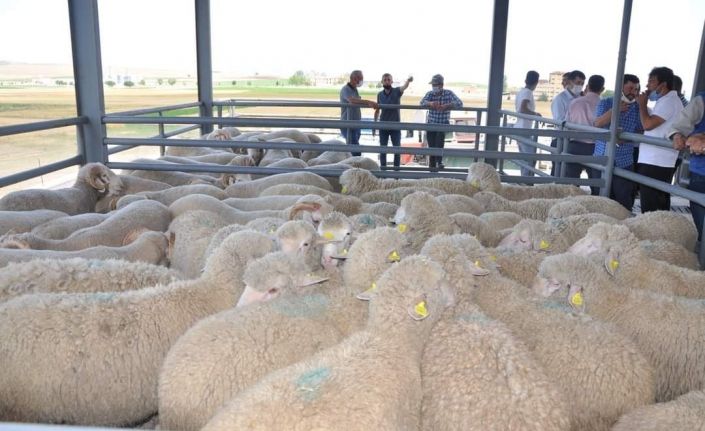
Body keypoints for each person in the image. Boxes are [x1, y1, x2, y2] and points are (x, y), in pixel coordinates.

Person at [635, 67, 684, 212]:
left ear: (663, 84)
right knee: (657, 201)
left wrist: (642, 105)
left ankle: (654, 233)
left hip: (657, 161)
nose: (647, 85)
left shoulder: (669, 101)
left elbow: (648, 125)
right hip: (656, 159)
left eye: (651, 81)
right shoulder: (666, 100)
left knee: (651, 204)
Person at [593, 74, 642, 211]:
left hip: (624, 160)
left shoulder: (638, 108)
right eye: (630, 88)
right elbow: (597, 123)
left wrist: (626, 138)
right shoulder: (606, 102)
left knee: (623, 200)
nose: (633, 93)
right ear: (620, 87)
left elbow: (641, 130)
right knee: (599, 198)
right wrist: (615, 111)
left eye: (636, 89)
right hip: (602, 159)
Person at [669, 90, 705, 246]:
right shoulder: (701, 100)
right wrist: (677, 135)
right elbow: (679, 125)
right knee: (702, 227)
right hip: (701, 174)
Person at [563, 74, 605, 195]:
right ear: (602, 89)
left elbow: (567, 124)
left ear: (587, 86)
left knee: (570, 184)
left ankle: (569, 207)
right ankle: (595, 210)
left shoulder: (574, 103)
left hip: (575, 146)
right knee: (597, 184)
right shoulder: (604, 104)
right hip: (596, 149)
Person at [419, 74, 463, 171]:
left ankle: (438, 162)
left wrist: (447, 106)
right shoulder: (430, 94)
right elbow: (421, 102)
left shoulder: (449, 93)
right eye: (433, 85)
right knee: (431, 146)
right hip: (431, 124)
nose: (433, 87)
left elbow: (460, 103)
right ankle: (433, 166)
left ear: (441, 85)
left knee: (439, 141)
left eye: (435, 85)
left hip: (442, 124)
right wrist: (430, 103)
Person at [374, 73, 412, 168]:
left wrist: (408, 81)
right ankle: (383, 171)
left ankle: (396, 174)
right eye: (385, 80)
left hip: (395, 126)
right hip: (383, 126)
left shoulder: (397, 91)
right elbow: (377, 110)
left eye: (388, 79)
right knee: (383, 150)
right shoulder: (379, 95)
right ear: (382, 82)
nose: (387, 81)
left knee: (397, 150)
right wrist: (375, 125)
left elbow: (404, 87)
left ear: (392, 81)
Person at [339, 70, 378, 156]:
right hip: (347, 123)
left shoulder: (355, 89)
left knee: (354, 146)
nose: (361, 81)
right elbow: (352, 100)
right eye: (361, 79)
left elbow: (357, 100)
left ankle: (354, 166)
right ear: (354, 78)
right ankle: (355, 167)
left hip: (356, 123)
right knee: (355, 149)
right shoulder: (345, 89)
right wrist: (368, 102)